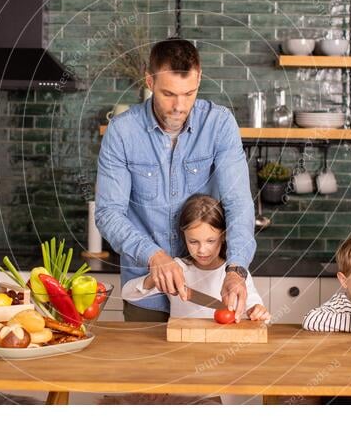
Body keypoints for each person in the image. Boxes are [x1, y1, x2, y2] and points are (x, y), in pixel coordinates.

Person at [96, 39, 256, 322]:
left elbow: (238, 204)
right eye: (168, 94)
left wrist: (236, 271)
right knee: (147, 366)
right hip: (146, 291)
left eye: (189, 93)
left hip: (207, 289)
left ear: (199, 80)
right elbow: (109, 213)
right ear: (150, 80)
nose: (179, 106)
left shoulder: (219, 124)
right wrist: (154, 256)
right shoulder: (122, 132)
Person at [122, 194, 269, 322]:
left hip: (222, 345)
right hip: (181, 345)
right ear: (184, 236)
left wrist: (257, 311)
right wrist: (154, 279)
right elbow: (128, 294)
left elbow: (258, 310)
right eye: (193, 242)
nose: (202, 250)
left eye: (210, 241)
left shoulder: (236, 274)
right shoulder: (177, 269)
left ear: (223, 236)